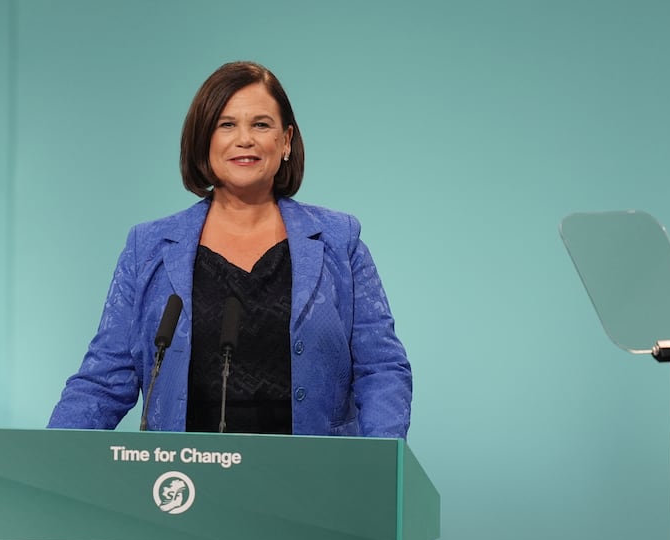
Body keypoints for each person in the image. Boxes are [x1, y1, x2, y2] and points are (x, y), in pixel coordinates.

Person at [48, 61, 411, 438]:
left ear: (286, 141)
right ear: (203, 140)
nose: (244, 139)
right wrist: (46, 460)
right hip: (184, 472)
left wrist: (379, 462)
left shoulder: (339, 240)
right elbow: (103, 382)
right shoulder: (148, 248)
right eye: (226, 125)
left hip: (314, 471)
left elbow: (381, 368)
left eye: (261, 125)